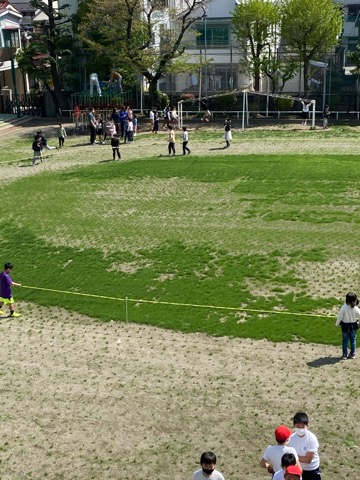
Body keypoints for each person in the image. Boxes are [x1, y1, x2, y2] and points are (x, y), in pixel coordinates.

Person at [288, 412, 321, 480]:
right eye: (298, 426)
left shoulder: (311, 439)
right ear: (294, 425)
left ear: (307, 426)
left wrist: (295, 457)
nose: (300, 429)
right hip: (298, 469)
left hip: (311, 470)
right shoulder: (291, 438)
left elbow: (308, 460)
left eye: (303, 427)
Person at [335, 291, 360, 359]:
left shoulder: (344, 307)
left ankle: (345, 355)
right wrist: (359, 324)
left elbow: (340, 317)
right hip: (353, 326)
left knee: (345, 341)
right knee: (353, 340)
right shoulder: (356, 308)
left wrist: (337, 324)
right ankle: (352, 354)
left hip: (345, 326)